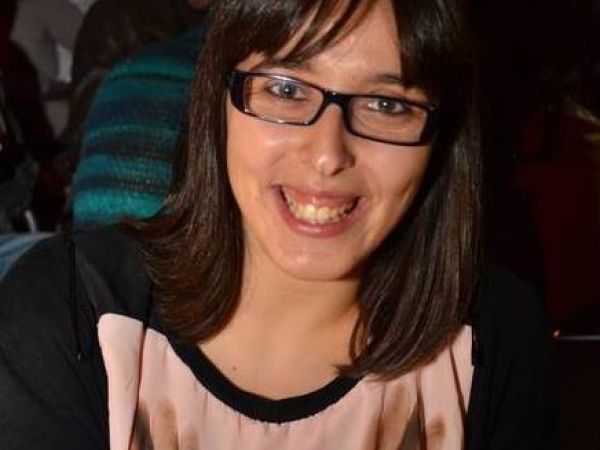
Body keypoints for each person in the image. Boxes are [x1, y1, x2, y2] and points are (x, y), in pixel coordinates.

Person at [0, 0, 556, 449]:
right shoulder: (70, 314)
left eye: (387, 104)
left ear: (443, 136)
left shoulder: (494, 337)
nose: (328, 154)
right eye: (286, 89)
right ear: (216, 102)